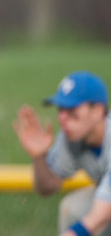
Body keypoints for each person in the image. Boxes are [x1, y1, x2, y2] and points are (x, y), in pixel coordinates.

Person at [14, 71, 111, 236]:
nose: (62, 118)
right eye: (61, 109)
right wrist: (39, 157)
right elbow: (48, 188)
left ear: (97, 111)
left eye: (71, 109)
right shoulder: (71, 138)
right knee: (73, 208)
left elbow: (100, 217)